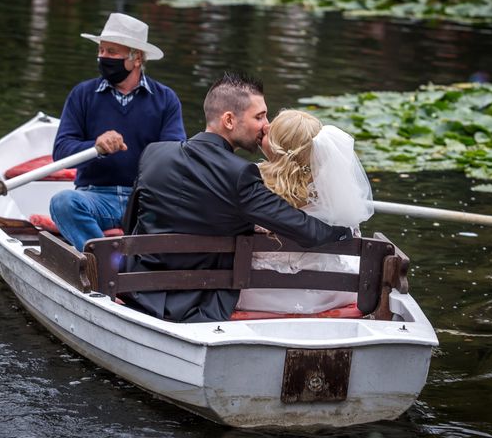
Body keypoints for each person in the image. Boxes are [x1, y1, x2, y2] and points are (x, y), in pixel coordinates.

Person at [119, 72, 352, 323]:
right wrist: (344, 234)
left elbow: (129, 222)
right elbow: (305, 229)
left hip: (137, 288)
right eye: (259, 116)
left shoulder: (153, 153)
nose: (266, 126)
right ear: (229, 120)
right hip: (196, 301)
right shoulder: (239, 174)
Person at [49, 13, 186, 251]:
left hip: (143, 201)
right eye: (101, 51)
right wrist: (96, 148)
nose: (103, 57)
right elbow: (61, 152)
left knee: (186, 210)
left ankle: (129, 264)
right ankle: (107, 262)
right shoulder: (82, 94)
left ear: (137, 58)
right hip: (95, 197)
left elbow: (176, 155)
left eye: (112, 52)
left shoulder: (166, 99)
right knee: (62, 203)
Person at [235, 109, 374, 314]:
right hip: (328, 293)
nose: (266, 126)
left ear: (277, 147)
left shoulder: (249, 182)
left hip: (256, 294)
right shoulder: (330, 189)